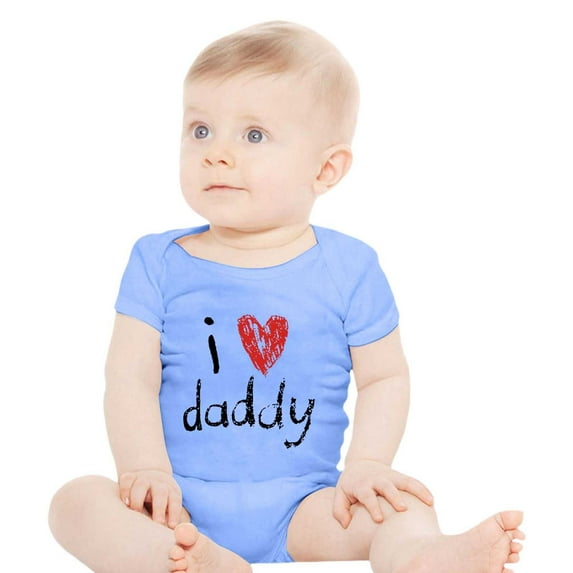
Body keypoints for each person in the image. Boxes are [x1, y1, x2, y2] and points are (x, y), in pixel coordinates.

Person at [49, 21, 525, 573]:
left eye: (253, 135)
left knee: (405, 505)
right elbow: (130, 376)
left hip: (306, 507)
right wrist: (145, 469)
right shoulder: (157, 261)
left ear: (326, 169)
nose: (216, 153)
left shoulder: (350, 267)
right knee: (74, 502)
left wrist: (368, 464)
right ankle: (179, 558)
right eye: (200, 130)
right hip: (177, 502)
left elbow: (384, 377)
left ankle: (422, 558)